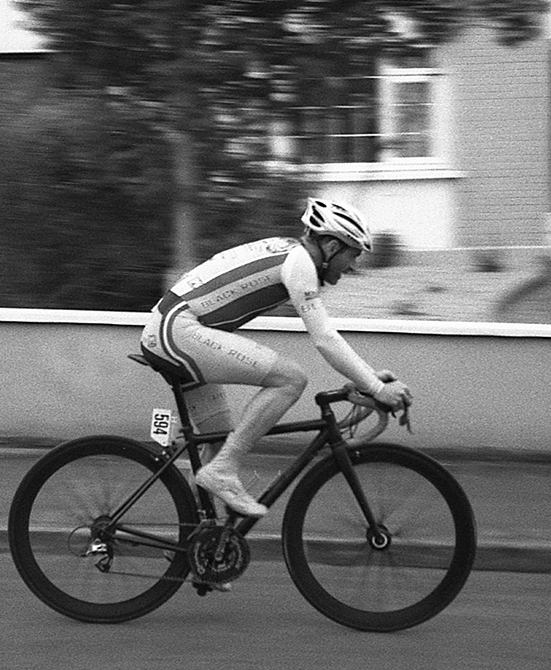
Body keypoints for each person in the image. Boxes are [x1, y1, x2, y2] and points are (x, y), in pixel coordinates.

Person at [139, 197, 412, 517]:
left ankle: (198, 537)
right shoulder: (299, 263)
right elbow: (324, 338)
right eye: (353, 254)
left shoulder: (288, 251)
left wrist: (366, 380)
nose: (352, 266)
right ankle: (223, 471)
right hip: (177, 331)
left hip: (174, 328)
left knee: (219, 441)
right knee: (290, 379)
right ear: (332, 246)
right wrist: (377, 389)